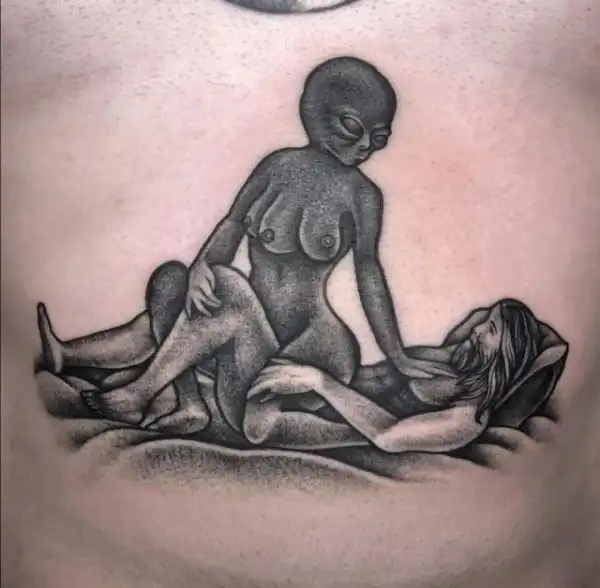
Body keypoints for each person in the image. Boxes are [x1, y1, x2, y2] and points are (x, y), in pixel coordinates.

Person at [37, 57, 451, 434]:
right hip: (250, 329)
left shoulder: (362, 195)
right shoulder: (277, 166)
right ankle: (189, 404)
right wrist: (201, 267)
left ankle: (138, 393)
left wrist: (396, 354)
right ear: (315, 113)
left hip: (313, 346)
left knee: (228, 287)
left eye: (378, 138)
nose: (364, 147)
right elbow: (232, 224)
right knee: (172, 279)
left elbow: (369, 272)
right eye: (353, 128)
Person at [242, 299, 543, 452]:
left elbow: (386, 436)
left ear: (507, 354)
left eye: (491, 330)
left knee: (237, 305)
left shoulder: (466, 418)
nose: (477, 329)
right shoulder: (456, 359)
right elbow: (476, 316)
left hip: (321, 412)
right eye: (485, 321)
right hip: (320, 384)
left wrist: (319, 382)